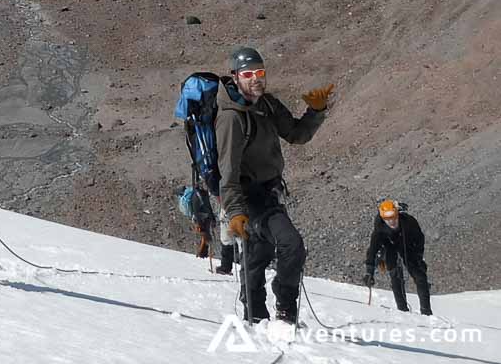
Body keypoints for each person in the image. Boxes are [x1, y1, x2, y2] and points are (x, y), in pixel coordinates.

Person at [217, 45, 335, 326]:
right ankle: (285, 309)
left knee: (260, 253)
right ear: (235, 77)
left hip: (269, 191)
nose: (256, 78)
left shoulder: (267, 104)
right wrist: (234, 213)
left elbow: (295, 134)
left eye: (260, 72)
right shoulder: (231, 118)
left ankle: (255, 312)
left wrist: (315, 112)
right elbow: (228, 172)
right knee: (291, 244)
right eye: (248, 74)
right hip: (248, 197)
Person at [363, 200, 432, 315]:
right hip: (389, 247)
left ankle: (426, 312)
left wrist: (419, 257)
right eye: (387, 219)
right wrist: (369, 272)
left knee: (420, 276)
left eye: (394, 218)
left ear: (397, 215)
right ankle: (402, 310)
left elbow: (419, 238)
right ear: (383, 219)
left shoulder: (408, 222)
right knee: (395, 275)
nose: (391, 222)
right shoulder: (379, 229)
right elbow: (372, 250)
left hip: (407, 245)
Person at [176, 184, 234, 273]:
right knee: (207, 237)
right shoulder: (199, 194)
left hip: (199, 218)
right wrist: (211, 220)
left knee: (206, 237)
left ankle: (203, 255)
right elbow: (207, 207)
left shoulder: (196, 194)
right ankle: (203, 255)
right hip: (203, 219)